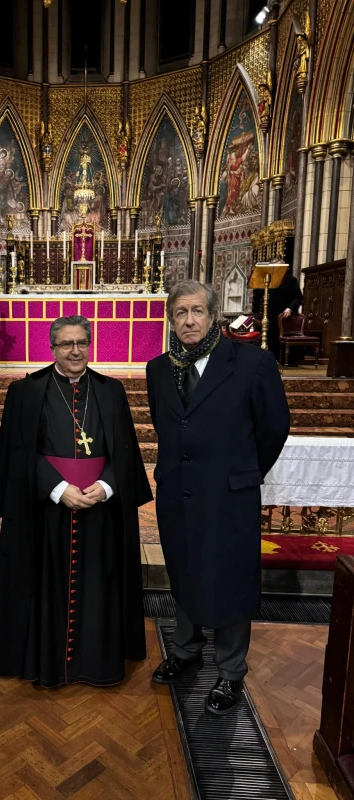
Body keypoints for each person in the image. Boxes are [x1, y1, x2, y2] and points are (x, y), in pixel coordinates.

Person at [146, 280, 289, 715]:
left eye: (196, 312)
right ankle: (186, 650)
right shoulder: (158, 368)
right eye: (179, 313)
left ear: (213, 317)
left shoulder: (252, 363)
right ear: (171, 320)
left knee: (229, 578)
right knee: (184, 571)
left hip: (229, 495)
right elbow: (167, 426)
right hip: (178, 491)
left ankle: (230, 670)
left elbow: (274, 428)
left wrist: (244, 474)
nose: (188, 321)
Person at [0, 315, 152, 687]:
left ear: (90, 345)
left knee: (99, 586)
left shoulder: (111, 391)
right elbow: (18, 452)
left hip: (100, 510)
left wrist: (108, 486)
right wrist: (58, 489)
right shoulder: (26, 392)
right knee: (47, 585)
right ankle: (46, 661)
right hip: (47, 510)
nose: (75, 351)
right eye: (66, 344)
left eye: (81, 343)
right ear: (53, 348)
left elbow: (124, 451)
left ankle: (96, 663)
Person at [266, 267, 303, 361]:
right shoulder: (269, 279)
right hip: (272, 314)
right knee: (272, 336)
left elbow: (298, 297)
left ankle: (288, 360)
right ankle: (273, 358)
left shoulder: (291, 280)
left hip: (286, 315)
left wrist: (290, 308)